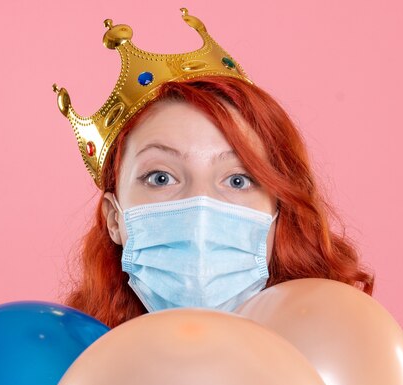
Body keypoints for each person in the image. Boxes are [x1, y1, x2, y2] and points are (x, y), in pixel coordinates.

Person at [53, 9, 373, 328]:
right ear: (114, 218)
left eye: (237, 180)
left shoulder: (333, 350)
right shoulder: (74, 366)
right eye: (161, 177)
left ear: (278, 211)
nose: (200, 210)